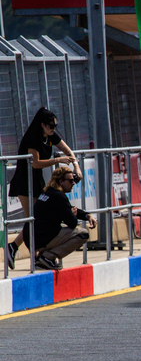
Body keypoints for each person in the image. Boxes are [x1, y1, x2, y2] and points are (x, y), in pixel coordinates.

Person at [6, 107, 82, 270]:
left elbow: (67, 150)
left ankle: (15, 247)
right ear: (42, 125)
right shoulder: (33, 138)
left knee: (36, 219)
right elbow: (35, 163)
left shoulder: (51, 135)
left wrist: (76, 166)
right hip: (25, 180)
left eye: (55, 126)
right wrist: (57, 160)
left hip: (37, 180)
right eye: (51, 126)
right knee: (33, 219)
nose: (53, 129)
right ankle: (32, 255)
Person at [24, 166, 96, 270]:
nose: (73, 183)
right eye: (70, 181)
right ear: (61, 182)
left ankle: (42, 257)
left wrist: (87, 215)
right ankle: (47, 257)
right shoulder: (59, 196)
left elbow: (68, 208)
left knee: (58, 230)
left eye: (74, 180)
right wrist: (71, 214)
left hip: (32, 238)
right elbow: (72, 223)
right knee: (83, 234)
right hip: (40, 238)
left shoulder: (48, 192)